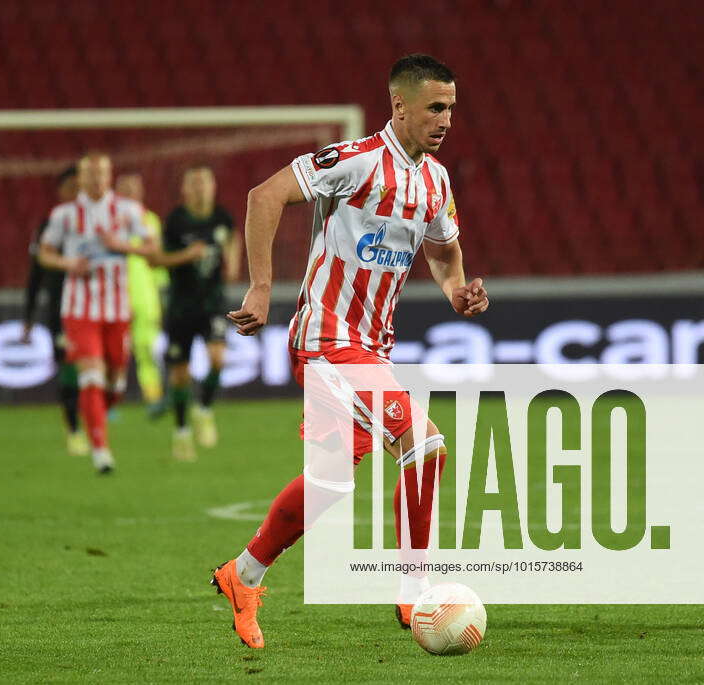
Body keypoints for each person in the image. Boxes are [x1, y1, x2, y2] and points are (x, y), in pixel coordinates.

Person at [211, 55, 490, 648]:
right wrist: (261, 286)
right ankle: (415, 592)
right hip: (328, 340)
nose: (446, 119)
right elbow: (265, 196)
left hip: (369, 349)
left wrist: (457, 292)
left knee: (331, 480)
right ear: (400, 106)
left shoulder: (435, 181)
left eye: (452, 108)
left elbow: (444, 253)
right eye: (435, 107)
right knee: (426, 443)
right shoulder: (358, 160)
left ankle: (244, 573)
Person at [38, 153, 157, 474]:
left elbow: (152, 248)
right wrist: (68, 263)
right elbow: (45, 254)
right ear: (80, 177)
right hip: (79, 311)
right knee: (90, 374)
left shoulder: (128, 210)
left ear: (109, 175)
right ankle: (101, 450)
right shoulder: (65, 215)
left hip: (118, 309)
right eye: (90, 174)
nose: (97, 180)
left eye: (102, 173)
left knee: (115, 382)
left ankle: (98, 415)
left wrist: (122, 245)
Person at [153, 166, 239, 461]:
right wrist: (186, 256)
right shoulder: (176, 221)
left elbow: (234, 238)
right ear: (185, 189)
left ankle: (203, 408)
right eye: (195, 182)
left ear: (213, 186)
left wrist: (234, 261)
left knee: (218, 357)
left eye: (205, 181)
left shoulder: (222, 217)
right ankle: (181, 431)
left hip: (212, 302)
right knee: (179, 374)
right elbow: (157, 259)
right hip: (180, 306)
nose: (201, 187)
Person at [23, 165, 89, 457]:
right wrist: (28, 317)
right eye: (72, 188)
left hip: (94, 307)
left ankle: (90, 419)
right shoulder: (49, 226)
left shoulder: (94, 223)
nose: (78, 194)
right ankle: (74, 428)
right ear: (62, 192)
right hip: (60, 310)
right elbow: (35, 274)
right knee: (69, 367)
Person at [115, 172, 168, 406]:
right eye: (124, 188)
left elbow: (157, 261)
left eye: (133, 188)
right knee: (114, 350)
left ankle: (152, 397)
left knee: (147, 348)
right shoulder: (109, 220)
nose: (129, 193)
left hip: (145, 296)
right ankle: (110, 401)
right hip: (114, 294)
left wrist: (162, 292)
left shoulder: (150, 220)